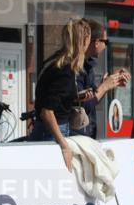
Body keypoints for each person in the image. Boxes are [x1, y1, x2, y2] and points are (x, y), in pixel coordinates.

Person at [29, 19, 92, 171]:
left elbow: (53, 99)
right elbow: (47, 111)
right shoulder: (65, 71)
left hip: (48, 130)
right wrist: (63, 145)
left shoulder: (56, 63)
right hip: (52, 133)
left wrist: (76, 97)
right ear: (84, 41)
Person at [73, 20, 129, 138]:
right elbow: (83, 106)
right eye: (106, 41)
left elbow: (93, 100)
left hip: (87, 133)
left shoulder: (88, 66)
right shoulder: (75, 67)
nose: (106, 46)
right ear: (97, 42)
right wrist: (104, 87)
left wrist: (109, 83)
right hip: (76, 136)